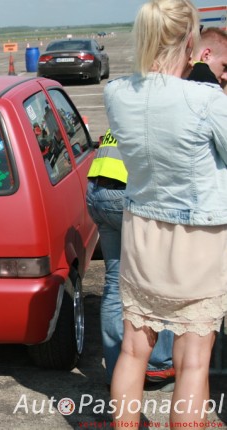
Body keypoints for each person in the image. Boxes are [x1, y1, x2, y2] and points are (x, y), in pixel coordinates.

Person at [104, 0, 227, 426]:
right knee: (193, 360)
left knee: (134, 349)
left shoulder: (116, 93)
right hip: (199, 239)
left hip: (142, 231)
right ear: (191, 41)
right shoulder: (206, 99)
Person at [86, 130, 174, 391]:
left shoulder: (130, 107)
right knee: (160, 280)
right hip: (125, 193)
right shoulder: (161, 110)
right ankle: (158, 366)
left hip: (97, 191)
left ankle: (117, 370)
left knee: (115, 284)